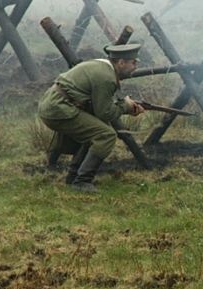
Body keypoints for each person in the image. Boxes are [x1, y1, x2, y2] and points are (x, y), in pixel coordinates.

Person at [38, 44, 146, 193]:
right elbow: (105, 113)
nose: (135, 67)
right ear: (121, 62)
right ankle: (82, 181)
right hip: (59, 109)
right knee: (106, 135)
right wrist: (126, 107)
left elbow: (99, 107)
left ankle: (73, 177)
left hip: (56, 105)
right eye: (133, 63)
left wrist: (124, 105)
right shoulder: (107, 77)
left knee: (95, 132)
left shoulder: (102, 67)